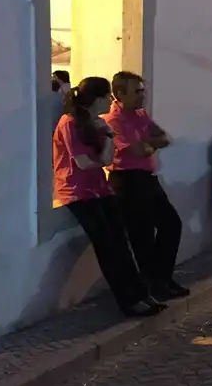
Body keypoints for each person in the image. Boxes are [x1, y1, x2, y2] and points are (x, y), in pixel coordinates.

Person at [53, 77, 165, 317]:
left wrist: (108, 138)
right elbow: (84, 163)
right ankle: (128, 301)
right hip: (78, 192)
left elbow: (104, 160)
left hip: (100, 189)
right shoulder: (70, 123)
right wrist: (108, 141)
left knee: (121, 243)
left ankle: (142, 294)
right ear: (98, 98)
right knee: (107, 246)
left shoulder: (96, 124)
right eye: (107, 97)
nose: (111, 101)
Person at [103, 71, 189, 303]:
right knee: (142, 237)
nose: (143, 95)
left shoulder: (140, 115)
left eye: (143, 90)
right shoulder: (113, 121)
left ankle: (161, 278)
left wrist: (148, 144)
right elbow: (138, 150)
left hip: (147, 179)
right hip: (127, 181)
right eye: (137, 91)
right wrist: (150, 145)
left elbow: (165, 139)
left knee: (171, 225)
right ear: (119, 94)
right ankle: (154, 285)